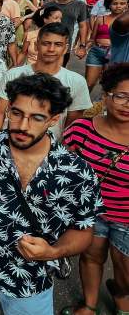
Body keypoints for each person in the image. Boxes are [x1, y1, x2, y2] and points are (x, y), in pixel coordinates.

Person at [0, 72, 103, 315]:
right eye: (17, 113)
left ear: (54, 120)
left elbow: (84, 230)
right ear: (8, 109)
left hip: (31, 279)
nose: (23, 126)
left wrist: (53, 252)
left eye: (36, 118)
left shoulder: (78, 173)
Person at [62, 63, 129, 315]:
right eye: (121, 96)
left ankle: (121, 292)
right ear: (106, 96)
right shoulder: (82, 129)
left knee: (125, 272)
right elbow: (60, 168)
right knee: (91, 257)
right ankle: (90, 305)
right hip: (89, 212)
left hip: (126, 215)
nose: (127, 104)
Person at [0, 23, 92, 139]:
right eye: (46, 43)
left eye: (58, 44)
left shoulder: (77, 82)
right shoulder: (13, 75)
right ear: (36, 45)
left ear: (65, 48)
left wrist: (60, 153)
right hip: (11, 143)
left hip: (50, 149)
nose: (51, 49)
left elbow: (72, 126)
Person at [85, 0, 129, 92]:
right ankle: (83, 105)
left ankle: (103, 105)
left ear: (127, 5)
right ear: (109, 5)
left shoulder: (126, 22)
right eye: (115, 3)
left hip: (115, 55)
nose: (118, 6)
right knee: (89, 83)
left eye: (122, 3)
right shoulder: (101, 19)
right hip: (97, 52)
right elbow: (93, 38)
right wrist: (84, 47)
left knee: (109, 85)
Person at [43, 0, 88, 66]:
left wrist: (82, 46)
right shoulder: (48, 5)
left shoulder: (80, 5)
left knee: (60, 72)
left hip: (65, 46)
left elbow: (82, 26)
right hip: (47, 44)